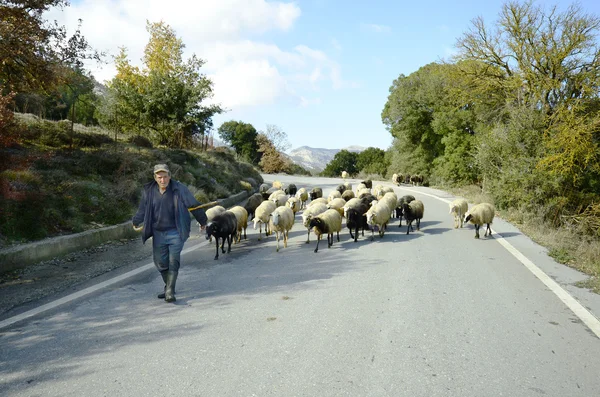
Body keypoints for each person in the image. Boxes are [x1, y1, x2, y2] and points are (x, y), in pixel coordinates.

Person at [132, 164, 208, 303]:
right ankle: (168, 285)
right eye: (160, 177)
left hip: (176, 231)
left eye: (165, 176)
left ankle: (170, 291)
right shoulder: (149, 191)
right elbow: (143, 209)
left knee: (173, 261)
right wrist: (136, 220)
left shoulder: (179, 189)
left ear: (170, 176)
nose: (163, 180)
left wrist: (203, 220)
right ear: (155, 178)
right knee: (160, 262)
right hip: (158, 232)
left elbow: (194, 205)